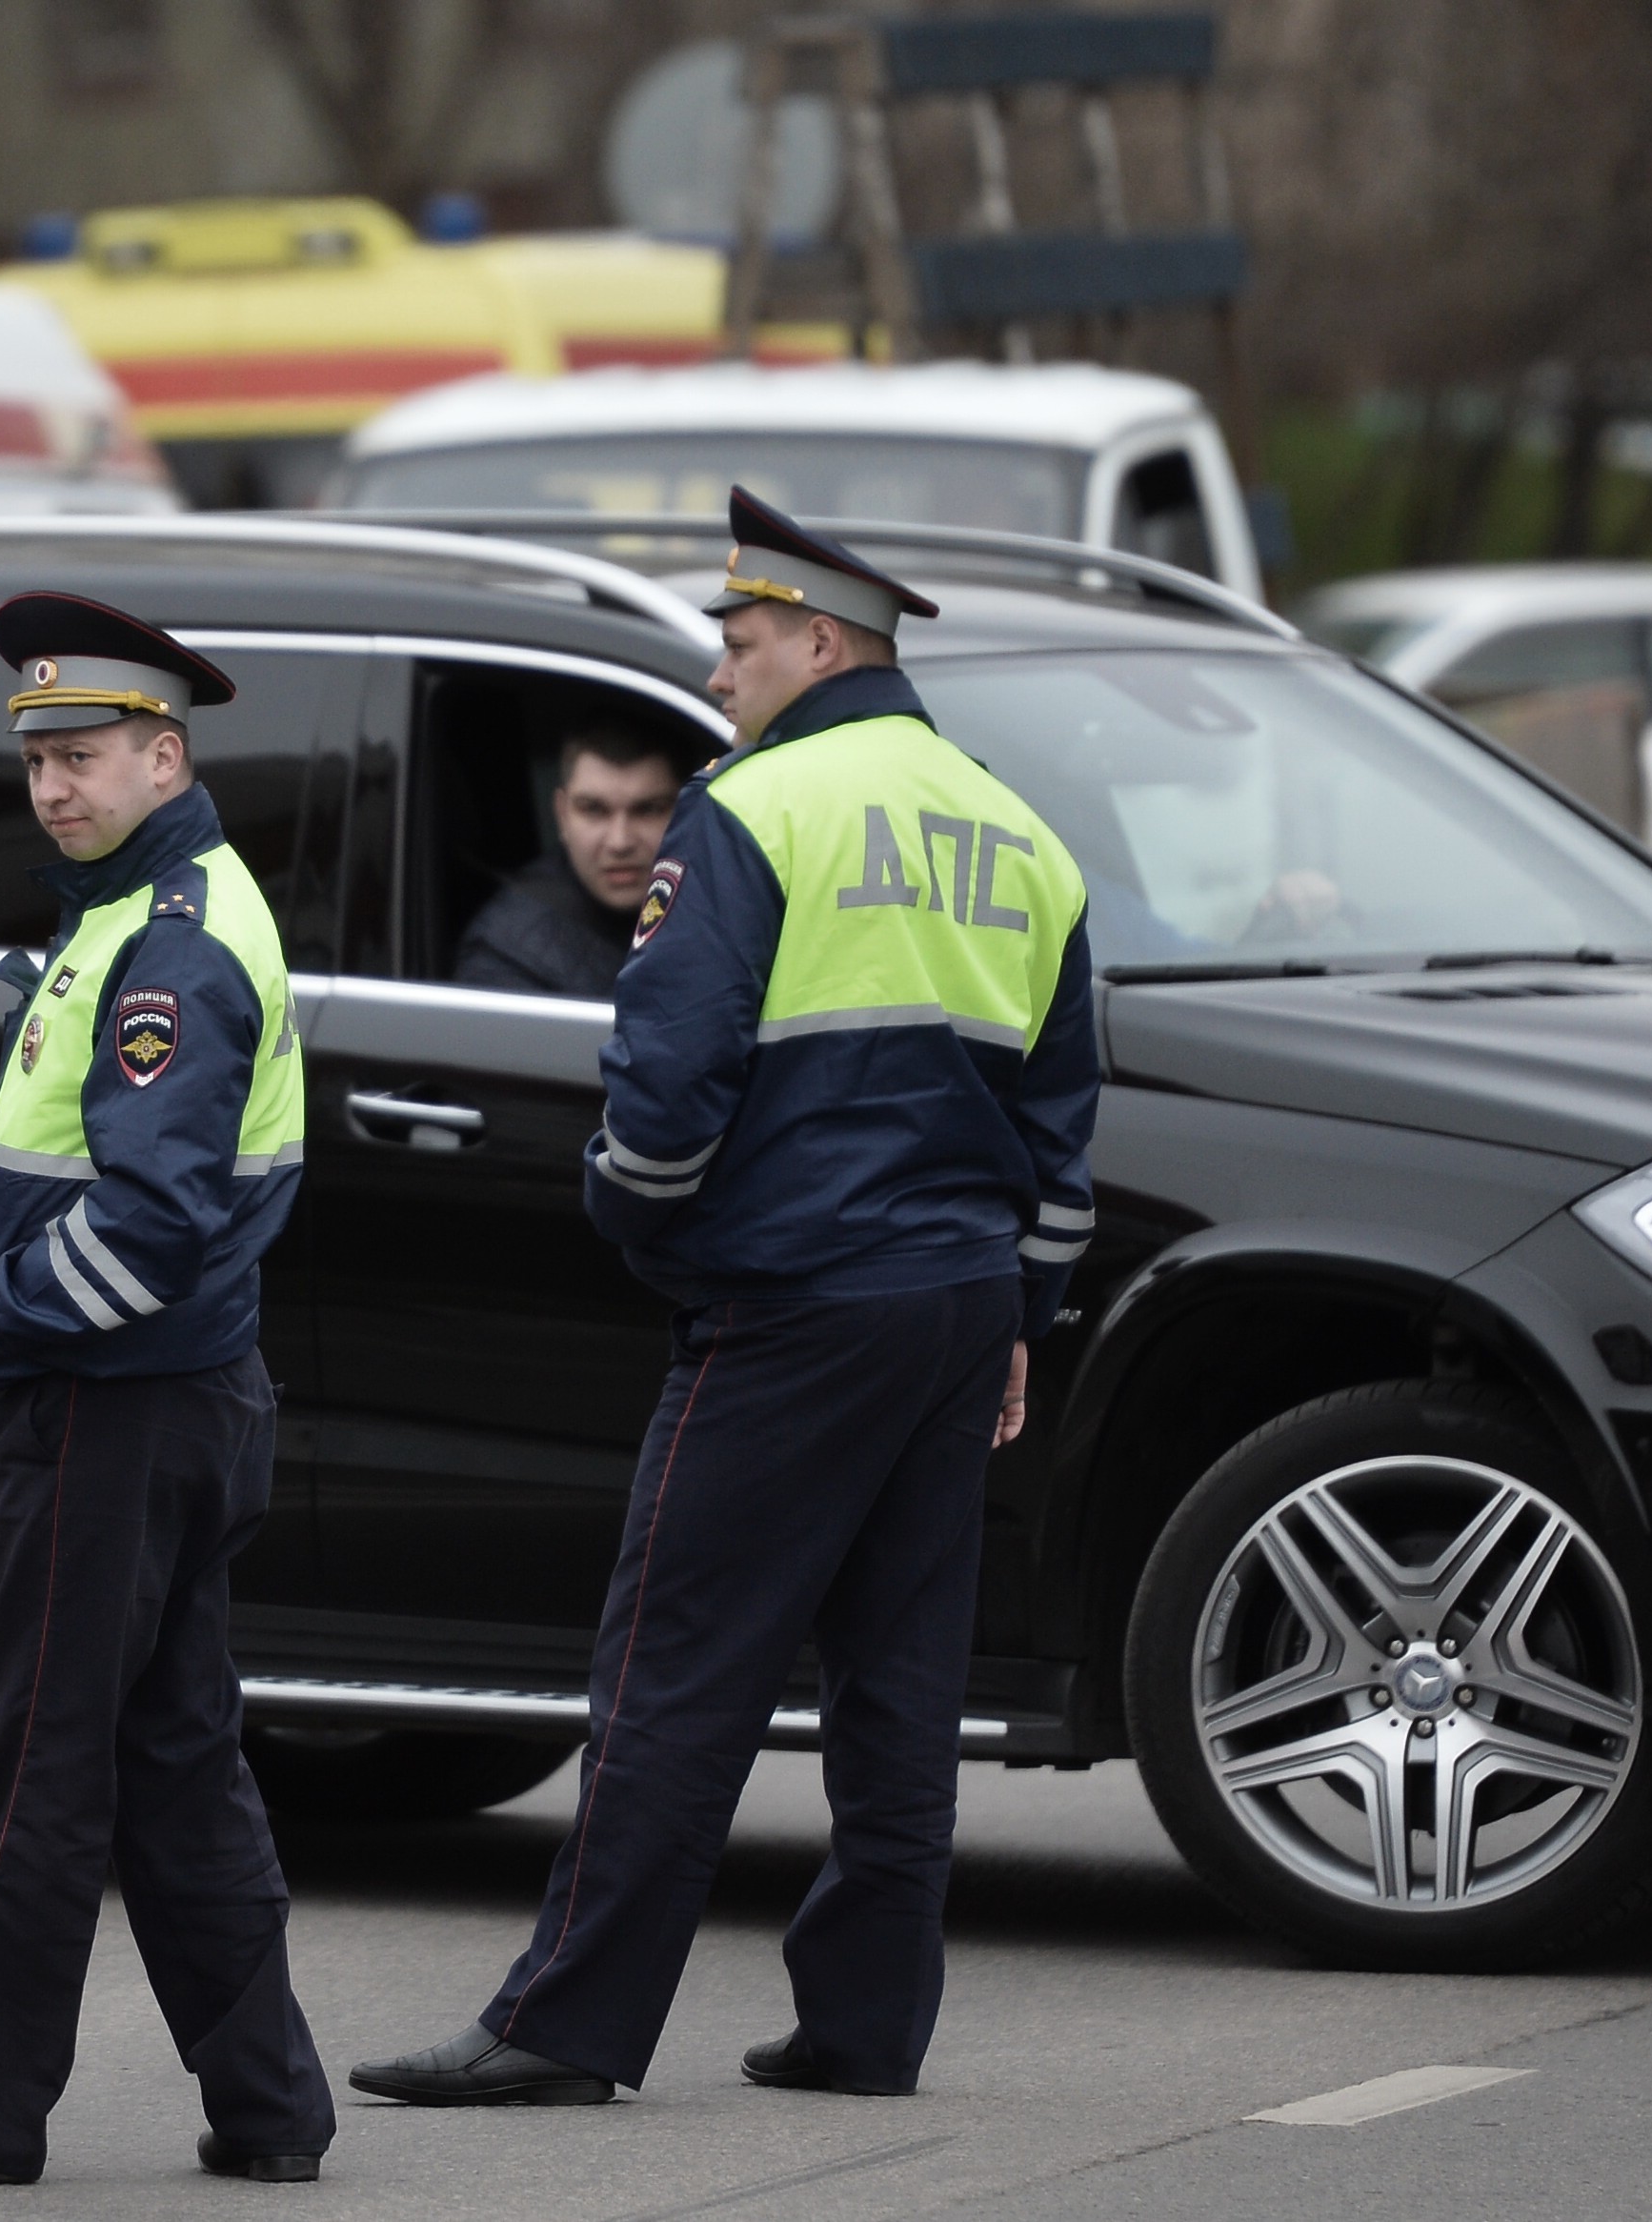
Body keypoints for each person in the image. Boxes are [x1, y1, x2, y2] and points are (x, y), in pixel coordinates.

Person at [351, 489, 1101, 2108]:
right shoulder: (1012, 828)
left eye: (741, 639)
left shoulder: (752, 810)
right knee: (898, 1685)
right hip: (954, 1300)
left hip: (798, 1297)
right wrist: (1019, 1312)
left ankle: (561, 2024)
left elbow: (666, 1076)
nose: (719, 668)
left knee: (670, 1663)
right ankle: (862, 2026)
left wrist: (637, 1223)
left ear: (819, 642)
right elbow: (1060, 1115)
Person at [0, 593, 332, 2187]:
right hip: (176, 1406)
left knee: (35, 1773)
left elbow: (153, 1215)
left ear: (165, 751)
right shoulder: (144, 903)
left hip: (110, 1409)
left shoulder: (169, 943)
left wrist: (5, 1323)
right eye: (38, 760)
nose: (55, 785)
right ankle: (271, 2102)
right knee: (173, 1766)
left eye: (85, 757)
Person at [452, 727, 685, 999]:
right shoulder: (505, 956)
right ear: (562, 815)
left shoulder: (724, 903)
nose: (619, 843)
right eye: (594, 810)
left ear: (686, 811)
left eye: (648, 810)